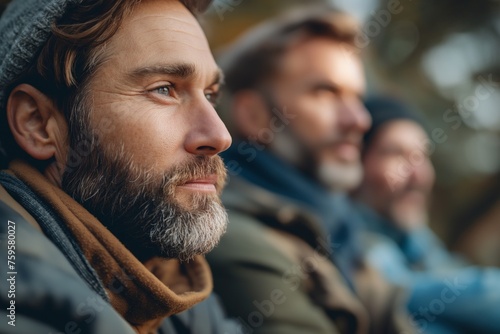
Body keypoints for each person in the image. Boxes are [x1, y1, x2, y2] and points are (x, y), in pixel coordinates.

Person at [0, 0, 240, 333]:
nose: (219, 136)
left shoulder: (169, 281)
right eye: (164, 89)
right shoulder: (14, 292)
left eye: (210, 94)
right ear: (38, 124)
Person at [206, 7, 415, 334]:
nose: (358, 120)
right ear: (254, 116)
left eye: (356, 97)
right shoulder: (227, 233)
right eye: (325, 92)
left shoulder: (342, 230)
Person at [353, 95, 500, 333]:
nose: (418, 176)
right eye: (396, 154)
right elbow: (393, 293)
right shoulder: (348, 242)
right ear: (356, 162)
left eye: (423, 157)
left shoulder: (420, 245)